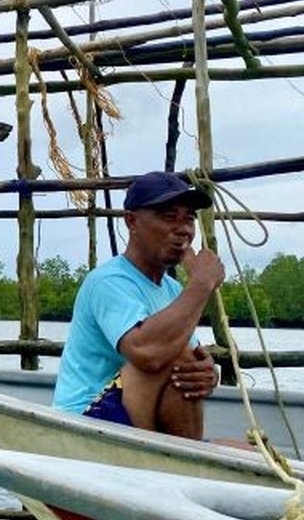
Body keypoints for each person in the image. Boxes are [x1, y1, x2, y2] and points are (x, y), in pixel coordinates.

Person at [52, 171, 224, 440]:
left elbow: (194, 356)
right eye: (168, 216)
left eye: (189, 218)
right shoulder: (108, 281)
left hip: (136, 422)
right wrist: (201, 284)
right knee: (173, 356)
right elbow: (148, 353)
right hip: (84, 422)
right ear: (131, 221)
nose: (183, 229)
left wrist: (208, 373)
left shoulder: (173, 290)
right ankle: (185, 466)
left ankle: (183, 462)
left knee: (252, 454)